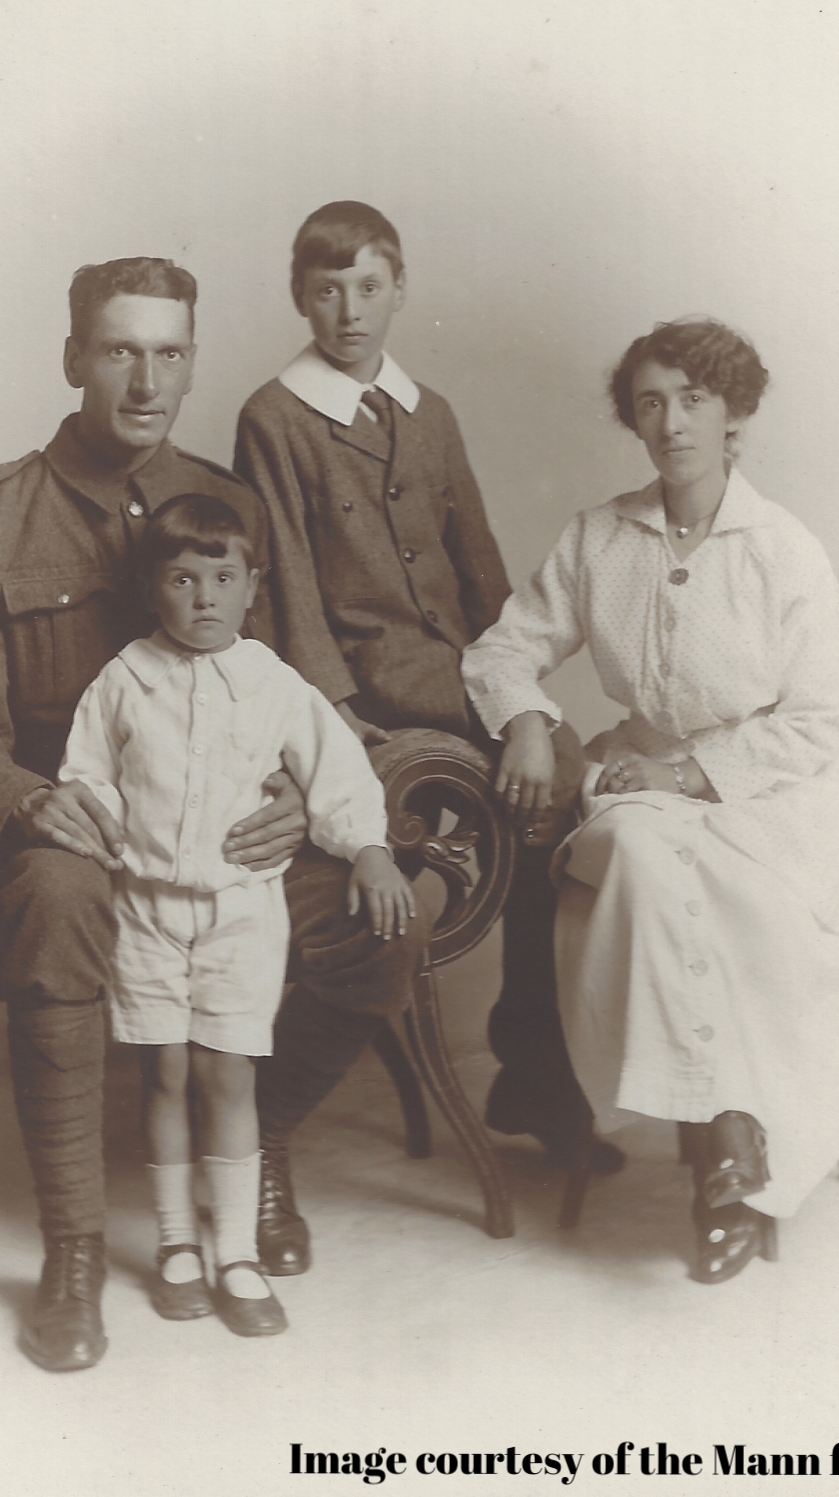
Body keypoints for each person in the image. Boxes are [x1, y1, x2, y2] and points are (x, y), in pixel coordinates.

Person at [0, 257, 434, 1372]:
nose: (147, 379)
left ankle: (259, 1139)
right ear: (73, 359)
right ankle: (76, 1252)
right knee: (56, 896)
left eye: (171, 352)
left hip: (231, 840)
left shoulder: (226, 504)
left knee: (388, 930)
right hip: (77, 840)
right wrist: (33, 802)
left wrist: (294, 796)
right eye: (120, 350)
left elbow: (284, 683)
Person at [463, 318, 839, 1283]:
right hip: (639, 788)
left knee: (740, 900)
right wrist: (527, 718)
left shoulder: (784, 551)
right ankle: (722, 1135)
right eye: (651, 403)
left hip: (769, 791)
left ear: (734, 415)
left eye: (693, 400)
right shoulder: (599, 536)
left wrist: (691, 777)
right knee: (638, 856)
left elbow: (812, 724)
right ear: (635, 420)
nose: (672, 423)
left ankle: (726, 1145)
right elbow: (503, 649)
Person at [234, 201, 620, 1225]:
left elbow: (483, 572)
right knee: (529, 798)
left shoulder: (429, 409)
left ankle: (532, 1063)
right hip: (364, 687)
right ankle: (519, 1065)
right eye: (324, 289)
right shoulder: (273, 417)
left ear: (398, 287)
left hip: (460, 675)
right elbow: (285, 590)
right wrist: (338, 716)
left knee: (565, 786)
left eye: (366, 286)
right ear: (298, 296)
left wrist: (521, 699)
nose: (346, 310)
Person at [59, 494, 414, 1336]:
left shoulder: (274, 683)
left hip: (240, 912)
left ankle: (237, 1253)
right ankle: (178, 1245)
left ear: (253, 585)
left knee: (228, 1074)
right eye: (183, 579)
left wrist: (366, 846)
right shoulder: (124, 680)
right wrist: (98, 823)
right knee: (166, 1073)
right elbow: (87, 775)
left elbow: (335, 775)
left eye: (223, 578)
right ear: (154, 589)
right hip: (146, 909)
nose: (204, 598)